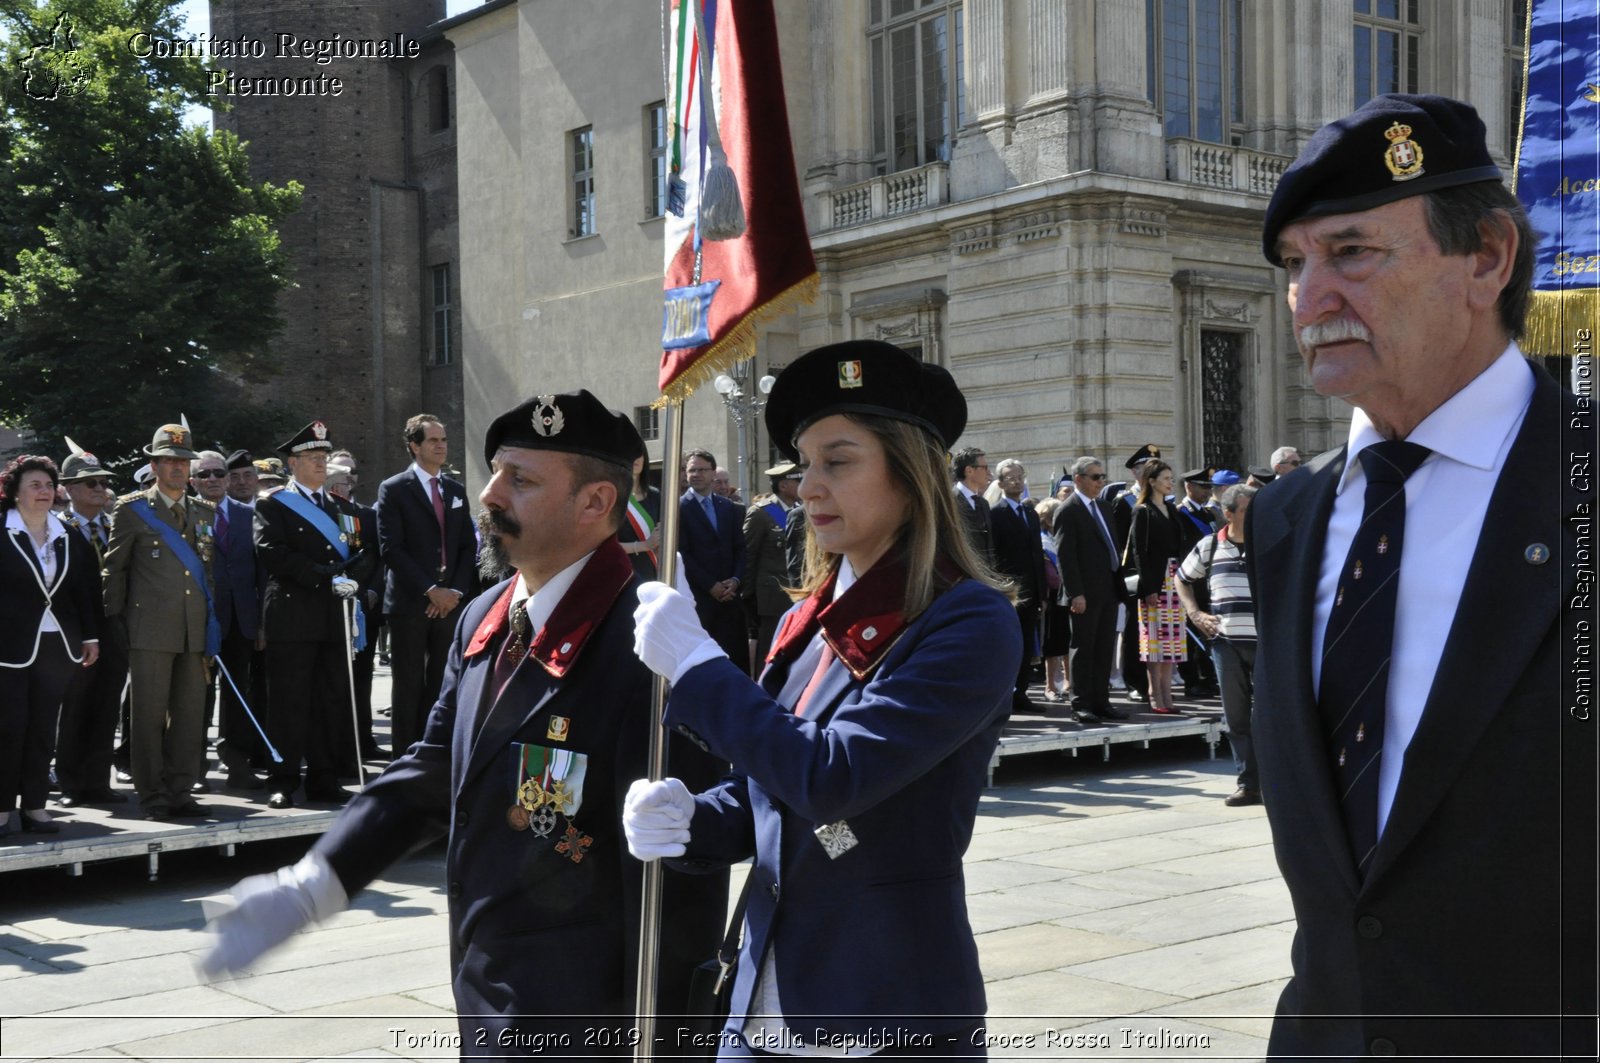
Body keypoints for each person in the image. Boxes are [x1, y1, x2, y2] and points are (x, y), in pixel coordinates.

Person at [201, 391, 724, 1054]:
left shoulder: (649, 640)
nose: (490, 495)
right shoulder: (485, 616)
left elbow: (683, 867)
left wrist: (668, 1032)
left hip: (595, 1010)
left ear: (595, 503)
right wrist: (313, 883)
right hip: (487, 983)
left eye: (522, 480)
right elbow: (431, 767)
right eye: (497, 472)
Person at [1252, 93, 1596, 1056]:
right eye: (1294, 263)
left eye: (1352, 252)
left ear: (1487, 257)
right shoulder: (1287, 515)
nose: (1309, 300)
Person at [624, 339, 1017, 1056]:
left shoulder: (967, 620)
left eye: (837, 461)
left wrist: (699, 665)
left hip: (882, 1001)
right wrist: (692, 820)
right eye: (805, 464)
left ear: (910, 474)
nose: (807, 487)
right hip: (761, 1002)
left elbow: (832, 777)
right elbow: (769, 795)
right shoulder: (808, 617)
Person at [253, 421, 379, 809]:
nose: (322, 464)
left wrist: (353, 581)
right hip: (294, 612)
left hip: (333, 615)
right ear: (293, 463)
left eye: (324, 457)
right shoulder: (272, 503)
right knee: (290, 701)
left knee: (331, 698)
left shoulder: (342, 508)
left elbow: (366, 552)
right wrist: (321, 577)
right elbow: (270, 550)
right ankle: (284, 779)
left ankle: (325, 778)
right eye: (312, 457)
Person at [101, 424, 218, 821]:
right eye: (168, 460)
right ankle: (152, 794)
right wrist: (115, 621)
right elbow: (113, 570)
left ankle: (180, 789)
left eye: (183, 462)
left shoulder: (204, 511)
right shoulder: (132, 509)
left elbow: (209, 574)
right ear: (153, 465)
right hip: (148, 630)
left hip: (194, 630)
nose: (177, 468)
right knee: (148, 717)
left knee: (189, 715)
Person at [0, 456, 100, 837]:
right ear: (15, 493)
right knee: (8, 727)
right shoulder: (1, 530)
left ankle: (36, 806)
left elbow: (84, 591)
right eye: (34, 486)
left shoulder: (69, 534)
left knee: (43, 727)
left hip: (58, 643)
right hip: (8, 646)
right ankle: (2, 807)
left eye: (47, 486)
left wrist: (90, 636)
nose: (43, 493)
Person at [375, 414, 478, 758]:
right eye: (433, 440)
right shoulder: (393, 488)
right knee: (408, 685)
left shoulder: (455, 490)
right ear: (414, 446)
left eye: (444, 439)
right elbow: (392, 548)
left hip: (450, 602)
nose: (441, 446)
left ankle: (435, 752)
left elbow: (467, 546)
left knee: (442, 682)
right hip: (410, 603)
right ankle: (404, 758)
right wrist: (430, 589)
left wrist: (455, 592)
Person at [1175, 483, 1258, 805]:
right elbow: (1182, 578)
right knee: (1236, 718)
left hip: (1266, 644)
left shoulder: (1268, 543)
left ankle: (1276, 782)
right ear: (1228, 514)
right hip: (1226, 645)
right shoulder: (1209, 547)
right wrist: (1194, 612)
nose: (1254, 518)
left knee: (1268, 718)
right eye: (1247, 512)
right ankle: (1248, 784)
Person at [53, 445, 127, 808]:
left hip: (114, 630)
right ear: (67, 489)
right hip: (75, 633)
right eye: (90, 483)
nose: (100, 488)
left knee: (107, 706)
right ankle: (70, 782)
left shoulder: (115, 527)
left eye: (103, 482)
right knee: (75, 706)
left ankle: (98, 781)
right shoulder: (57, 530)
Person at [1053, 457, 1128, 723]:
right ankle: (1080, 703)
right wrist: (1076, 593)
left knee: (1104, 648)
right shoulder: (1068, 510)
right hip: (1084, 593)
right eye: (1095, 477)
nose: (1101, 482)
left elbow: (1112, 548)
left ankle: (1101, 701)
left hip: (1108, 589)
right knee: (1083, 648)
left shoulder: (1105, 508)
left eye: (1102, 476)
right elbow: (1066, 557)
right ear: (1078, 479)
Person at [209, 449, 266, 789]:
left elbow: (261, 573)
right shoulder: (189, 514)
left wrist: (260, 623)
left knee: (237, 696)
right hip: (201, 619)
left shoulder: (249, 516)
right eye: (206, 475)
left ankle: (237, 763)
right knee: (197, 697)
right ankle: (193, 769)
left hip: (242, 620)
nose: (213, 480)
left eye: (220, 474)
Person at [678, 448, 749, 673]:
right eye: (691, 470)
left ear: (712, 473)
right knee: (705, 664)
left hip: (731, 598)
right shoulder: (678, 508)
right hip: (700, 599)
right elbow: (682, 554)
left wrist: (736, 580)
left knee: (735, 661)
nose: (696, 474)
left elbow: (740, 548)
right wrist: (711, 586)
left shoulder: (727, 506)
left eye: (701, 470)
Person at [1128, 459, 1186, 714]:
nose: (1170, 482)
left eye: (1171, 478)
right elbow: (1139, 552)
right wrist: (1150, 587)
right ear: (1152, 481)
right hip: (1155, 579)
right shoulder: (1143, 511)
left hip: (1174, 578)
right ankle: (1155, 693)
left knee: (1172, 640)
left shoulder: (1172, 510)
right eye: (1165, 478)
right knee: (1155, 639)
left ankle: (1168, 692)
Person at [989, 459, 1046, 710]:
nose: (1017, 481)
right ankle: (1004, 697)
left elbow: (1037, 553)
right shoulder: (996, 513)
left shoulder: (1030, 513)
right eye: (1011, 477)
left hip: (1032, 592)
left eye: (1020, 476)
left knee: (1025, 645)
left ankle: (1021, 693)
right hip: (1009, 593)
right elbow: (995, 556)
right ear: (1000, 483)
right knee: (1008, 647)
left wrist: (1042, 592)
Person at [742, 461, 802, 669]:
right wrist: (748, 598)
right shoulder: (762, 513)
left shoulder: (799, 511)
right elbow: (748, 557)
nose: (804, 483)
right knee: (769, 653)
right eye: (798, 480)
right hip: (772, 599)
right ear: (784, 485)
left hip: (797, 593)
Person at [1034, 498, 1070, 706]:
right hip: (1053, 598)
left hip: (1068, 595)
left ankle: (1069, 682)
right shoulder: (1042, 541)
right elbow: (1050, 576)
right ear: (1048, 519)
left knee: (1068, 641)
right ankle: (1050, 686)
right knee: (1053, 644)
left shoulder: (1059, 537)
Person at [618, 437, 662, 580]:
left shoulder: (655, 495)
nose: (635, 458)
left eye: (639, 453)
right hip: (623, 573)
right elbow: (602, 546)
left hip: (654, 572)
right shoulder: (611, 497)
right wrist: (644, 545)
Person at [950, 446, 993, 564]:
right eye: (985, 468)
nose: (989, 472)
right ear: (969, 470)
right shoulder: (950, 501)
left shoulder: (983, 503)